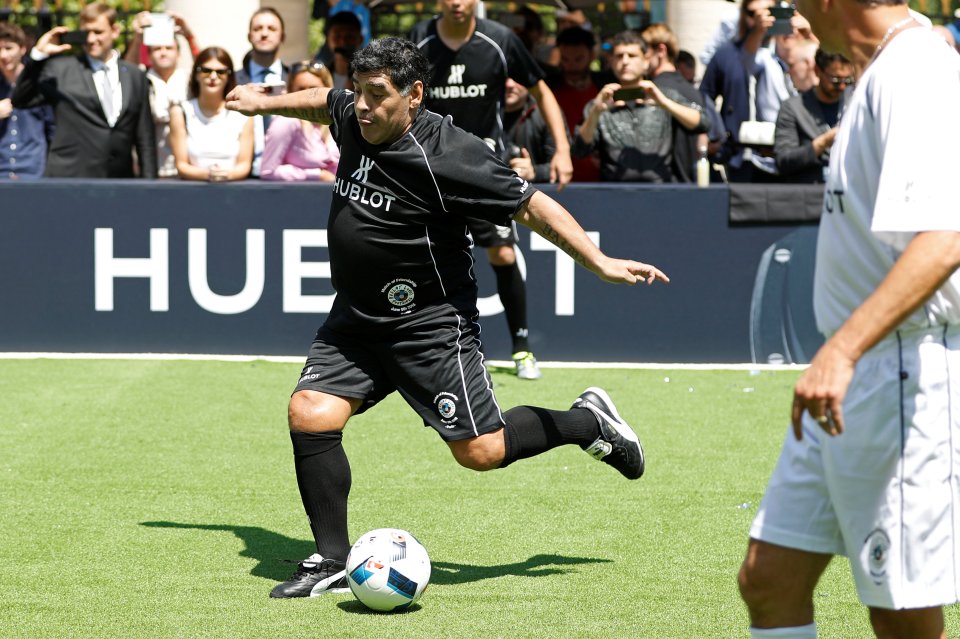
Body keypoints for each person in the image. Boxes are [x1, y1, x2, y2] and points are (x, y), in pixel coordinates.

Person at [225, 36, 668, 599]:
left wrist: (599, 261)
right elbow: (323, 101)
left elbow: (530, 205)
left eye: (376, 95)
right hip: (357, 318)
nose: (361, 105)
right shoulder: (354, 114)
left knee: (481, 452)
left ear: (414, 95)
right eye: (359, 91)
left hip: (429, 327)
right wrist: (263, 103)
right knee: (310, 413)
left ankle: (586, 423)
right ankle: (332, 558)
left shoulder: (451, 154)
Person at [737, 1, 960, 638]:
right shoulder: (880, 69)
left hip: (901, 374)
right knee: (769, 578)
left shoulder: (916, 69)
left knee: (900, 612)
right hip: (856, 370)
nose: (794, 13)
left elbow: (944, 237)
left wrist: (843, 350)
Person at [410, 0, 575, 380]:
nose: (455, 3)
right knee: (423, 258)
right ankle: (428, 350)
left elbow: (542, 91)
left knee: (502, 253)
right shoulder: (417, 40)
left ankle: (521, 348)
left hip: (485, 169)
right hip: (428, 170)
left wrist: (562, 149)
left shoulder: (500, 40)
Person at [12, 2, 157, 178]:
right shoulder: (60, 69)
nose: (90, 39)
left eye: (98, 32)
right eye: (86, 32)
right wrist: (38, 55)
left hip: (119, 183)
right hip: (71, 181)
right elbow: (21, 99)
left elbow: (145, 139)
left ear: (115, 31)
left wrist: (151, 188)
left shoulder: (135, 76)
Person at [573, 31, 704, 183]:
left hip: (661, 193)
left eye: (632, 55)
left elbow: (703, 123)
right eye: (619, 56)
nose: (625, 61)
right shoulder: (600, 103)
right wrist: (595, 112)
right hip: (614, 194)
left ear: (646, 61)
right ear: (611, 61)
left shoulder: (663, 96)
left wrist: (665, 103)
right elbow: (579, 150)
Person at [123, 11, 197, 178]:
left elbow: (208, 66)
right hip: (151, 167)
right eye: (157, 49)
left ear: (178, 53)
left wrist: (189, 36)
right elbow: (125, 74)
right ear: (148, 55)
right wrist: (137, 39)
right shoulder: (143, 78)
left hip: (185, 168)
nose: (163, 52)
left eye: (169, 48)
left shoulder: (188, 79)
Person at [169, 47, 253, 182]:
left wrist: (226, 175)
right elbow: (181, 165)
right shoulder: (180, 112)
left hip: (233, 192)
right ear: (196, 74)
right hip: (193, 192)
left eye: (221, 72)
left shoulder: (242, 113)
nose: (213, 76)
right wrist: (208, 175)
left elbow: (244, 165)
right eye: (206, 71)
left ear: (229, 76)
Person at [641, 23, 711, 183]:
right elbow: (703, 142)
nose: (642, 59)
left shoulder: (653, 91)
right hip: (692, 184)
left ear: (661, 50)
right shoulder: (693, 91)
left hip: (663, 186)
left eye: (645, 52)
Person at [773, 50, 852, 183]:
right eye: (836, 80)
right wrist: (822, 143)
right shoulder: (793, 108)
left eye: (848, 80)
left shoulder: (855, 104)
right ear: (817, 71)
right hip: (809, 191)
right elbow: (783, 161)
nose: (842, 86)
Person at [261, 60, 339, 182]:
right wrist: (316, 174)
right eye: (301, 89)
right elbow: (268, 171)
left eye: (314, 90)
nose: (307, 96)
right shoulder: (286, 122)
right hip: (304, 196)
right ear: (291, 92)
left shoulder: (337, 121)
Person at [235, 7, 289, 177]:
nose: (264, 34)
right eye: (258, 28)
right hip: (241, 175)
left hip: (287, 174)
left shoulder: (295, 81)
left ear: (282, 37)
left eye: (271, 29)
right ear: (249, 36)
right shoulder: (233, 82)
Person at [549, 26, 607, 182]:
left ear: (592, 56)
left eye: (578, 59)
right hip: (560, 178)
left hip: (602, 179)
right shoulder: (548, 92)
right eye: (565, 59)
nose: (571, 66)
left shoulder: (605, 88)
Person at [0, 22, 55, 180]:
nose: (3, 55)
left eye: (9, 48)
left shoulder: (38, 84)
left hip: (33, 171)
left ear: (22, 49)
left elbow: (53, 130)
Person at [502, 77, 556, 183]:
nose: (509, 84)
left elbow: (562, 166)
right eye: (504, 78)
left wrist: (534, 172)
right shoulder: (481, 115)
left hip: (536, 192)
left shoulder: (547, 115)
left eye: (516, 77)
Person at [314, 11, 362, 90]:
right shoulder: (318, 77)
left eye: (349, 37)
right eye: (337, 36)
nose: (343, 42)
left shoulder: (369, 77)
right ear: (328, 39)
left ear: (360, 39)